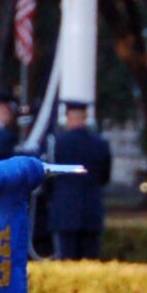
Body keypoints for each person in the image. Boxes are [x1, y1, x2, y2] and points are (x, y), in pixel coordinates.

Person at [44, 100, 112, 259]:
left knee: (66, 258)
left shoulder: (57, 143)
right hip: (92, 210)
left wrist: (51, 198)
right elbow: (104, 177)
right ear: (86, 117)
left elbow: (49, 176)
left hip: (65, 209)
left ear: (68, 117)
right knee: (90, 261)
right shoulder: (100, 143)